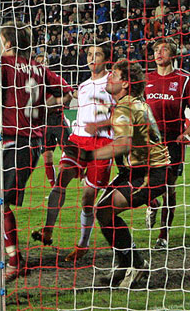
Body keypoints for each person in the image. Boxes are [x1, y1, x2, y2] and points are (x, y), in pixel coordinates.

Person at [0, 25, 72, 285]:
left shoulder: (3, 64)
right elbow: (68, 94)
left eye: (1, 40)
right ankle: (13, 257)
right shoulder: (40, 68)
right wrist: (45, 106)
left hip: (15, 140)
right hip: (33, 141)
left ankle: (14, 261)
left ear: (8, 43)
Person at [71, 59, 171, 288]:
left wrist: (89, 156)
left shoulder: (125, 107)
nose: (109, 77)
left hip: (150, 173)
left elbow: (123, 144)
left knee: (105, 210)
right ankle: (127, 264)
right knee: (103, 211)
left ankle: (135, 265)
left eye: (114, 75)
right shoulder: (131, 104)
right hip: (137, 170)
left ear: (125, 83)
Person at [32, 44, 114, 262]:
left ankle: (83, 245)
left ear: (106, 59)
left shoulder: (114, 82)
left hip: (102, 143)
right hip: (78, 140)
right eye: (89, 54)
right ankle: (47, 230)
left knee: (88, 198)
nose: (92, 58)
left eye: (97, 54)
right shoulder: (84, 85)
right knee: (61, 181)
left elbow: (122, 111)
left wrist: (103, 122)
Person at [144, 38, 190, 248]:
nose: (158, 53)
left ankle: (163, 236)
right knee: (143, 180)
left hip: (173, 140)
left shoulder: (184, 80)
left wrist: (186, 133)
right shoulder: (146, 79)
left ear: (172, 54)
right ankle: (152, 203)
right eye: (156, 50)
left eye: (163, 50)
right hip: (150, 140)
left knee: (169, 187)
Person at [35, 54, 73, 188]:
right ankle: (54, 187)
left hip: (57, 118)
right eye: (39, 62)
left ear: (47, 64)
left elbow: (69, 94)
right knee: (47, 156)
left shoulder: (55, 79)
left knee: (71, 151)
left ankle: (84, 177)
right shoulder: (32, 83)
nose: (41, 64)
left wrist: (56, 102)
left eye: (43, 62)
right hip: (43, 122)